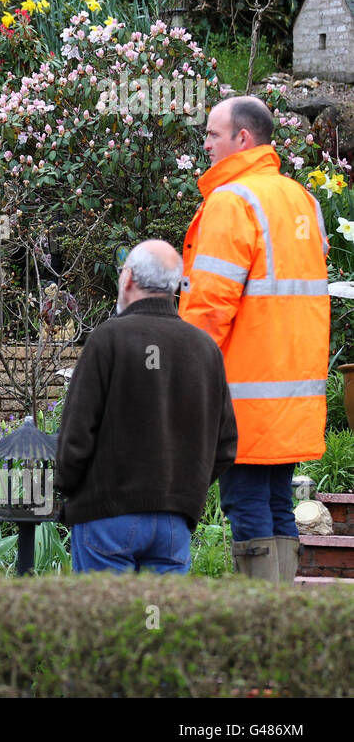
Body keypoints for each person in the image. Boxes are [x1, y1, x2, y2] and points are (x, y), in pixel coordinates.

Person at [181, 96, 330, 582]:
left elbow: (209, 305)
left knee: (245, 504)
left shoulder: (232, 201)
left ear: (242, 138)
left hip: (243, 394)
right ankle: (280, 619)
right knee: (276, 503)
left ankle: (259, 625)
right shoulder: (302, 199)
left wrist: (181, 375)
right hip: (291, 392)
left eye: (212, 134)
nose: (205, 144)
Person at [55, 240, 238, 574]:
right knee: (158, 624)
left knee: (106, 623)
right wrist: (184, 490)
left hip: (105, 517)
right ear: (176, 286)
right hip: (173, 521)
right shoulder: (204, 349)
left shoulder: (107, 340)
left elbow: (76, 437)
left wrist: (67, 489)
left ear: (127, 279)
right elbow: (225, 446)